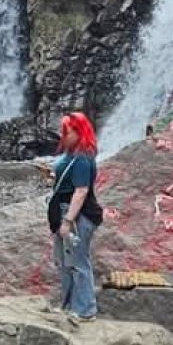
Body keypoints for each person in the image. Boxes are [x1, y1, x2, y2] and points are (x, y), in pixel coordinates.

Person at [47, 112, 103, 321]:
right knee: (66, 262)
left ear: (79, 132)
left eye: (66, 132)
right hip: (66, 211)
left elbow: (81, 191)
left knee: (79, 263)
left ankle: (86, 310)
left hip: (79, 217)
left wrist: (68, 221)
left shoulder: (82, 157)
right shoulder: (74, 154)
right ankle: (69, 305)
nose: (63, 136)